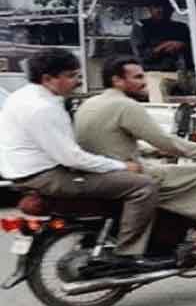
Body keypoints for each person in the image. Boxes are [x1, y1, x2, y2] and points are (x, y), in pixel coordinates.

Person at [0, 48, 158, 266]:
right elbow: (72, 158)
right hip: (48, 176)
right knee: (143, 186)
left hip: (23, 173)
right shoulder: (43, 108)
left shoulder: (22, 96)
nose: (78, 81)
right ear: (48, 79)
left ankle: (102, 236)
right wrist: (121, 165)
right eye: (71, 76)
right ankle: (127, 254)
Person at [74, 55, 196, 258]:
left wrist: (150, 151)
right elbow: (167, 142)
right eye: (137, 77)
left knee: (179, 174)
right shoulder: (125, 106)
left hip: (102, 175)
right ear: (117, 80)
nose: (144, 82)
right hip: (132, 176)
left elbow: (110, 140)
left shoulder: (89, 103)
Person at [130, 0, 193, 100]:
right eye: (156, 7)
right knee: (159, 99)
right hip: (153, 74)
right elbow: (142, 56)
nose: (161, 10)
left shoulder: (181, 28)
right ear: (150, 9)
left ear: (172, 9)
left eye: (165, 7)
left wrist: (183, 45)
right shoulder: (142, 26)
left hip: (182, 74)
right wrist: (164, 46)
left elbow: (194, 53)